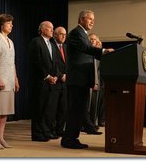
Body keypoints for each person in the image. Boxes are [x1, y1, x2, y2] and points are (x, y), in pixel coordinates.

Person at [61, 10, 114, 149]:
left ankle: (72, 138)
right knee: (75, 111)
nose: (92, 22)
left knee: (79, 111)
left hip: (82, 79)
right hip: (77, 79)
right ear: (81, 19)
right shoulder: (76, 33)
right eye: (90, 19)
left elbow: (87, 52)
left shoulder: (83, 34)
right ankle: (68, 140)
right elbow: (85, 48)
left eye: (93, 20)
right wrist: (102, 51)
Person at [0, 14, 20, 149]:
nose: (11, 25)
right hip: (0, 80)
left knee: (5, 111)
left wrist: (16, 79)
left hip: (10, 80)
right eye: (8, 23)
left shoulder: (11, 41)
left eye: (11, 23)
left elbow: (12, 63)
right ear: (1, 25)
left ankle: (1, 137)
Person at [28, 21, 62, 142]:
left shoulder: (52, 44)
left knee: (49, 109)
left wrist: (56, 76)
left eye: (53, 28)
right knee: (39, 108)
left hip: (52, 82)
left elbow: (57, 63)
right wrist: (47, 76)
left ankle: (46, 131)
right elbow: (36, 61)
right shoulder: (36, 42)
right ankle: (37, 134)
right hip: (41, 81)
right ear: (42, 29)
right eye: (49, 28)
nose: (52, 31)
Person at [51, 26, 68, 137]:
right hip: (55, 80)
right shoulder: (51, 46)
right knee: (54, 108)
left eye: (65, 34)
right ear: (55, 35)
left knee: (63, 108)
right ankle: (52, 130)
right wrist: (60, 75)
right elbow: (52, 64)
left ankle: (60, 130)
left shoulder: (66, 47)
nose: (63, 36)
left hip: (66, 82)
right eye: (61, 34)